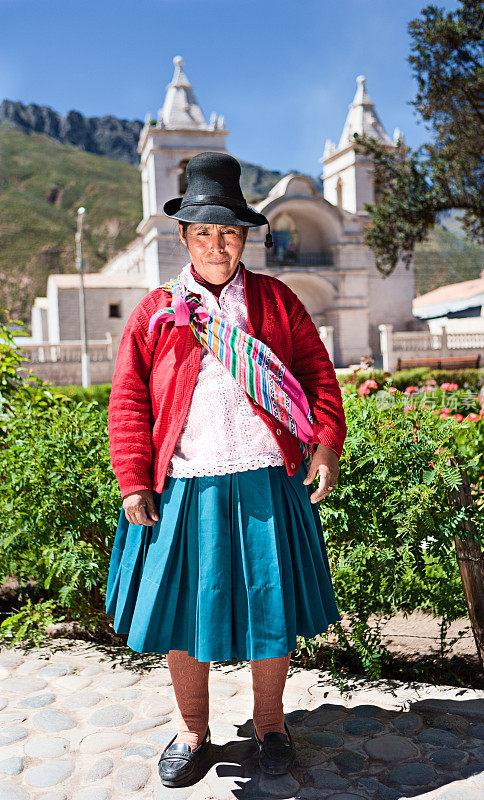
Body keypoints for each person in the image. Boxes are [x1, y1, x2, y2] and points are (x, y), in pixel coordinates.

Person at [105, 151, 347, 788]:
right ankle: (193, 729)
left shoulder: (275, 301)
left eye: (230, 232)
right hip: (185, 484)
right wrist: (134, 479)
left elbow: (319, 378)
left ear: (244, 238)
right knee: (187, 615)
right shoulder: (157, 311)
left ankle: (271, 724)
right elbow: (129, 399)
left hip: (268, 477)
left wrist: (324, 446)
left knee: (272, 606)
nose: (218, 245)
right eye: (205, 233)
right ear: (184, 237)